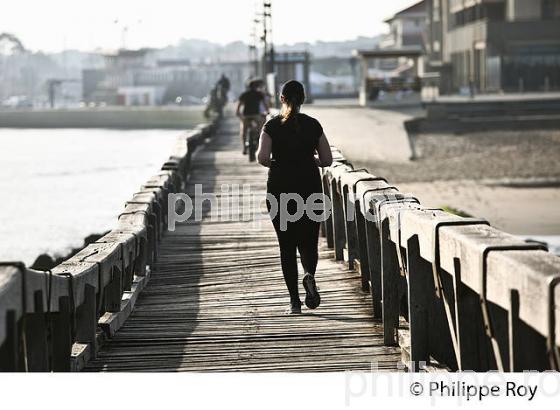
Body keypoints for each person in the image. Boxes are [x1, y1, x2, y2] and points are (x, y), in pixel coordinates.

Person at [256, 80, 333, 314]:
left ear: (281, 99)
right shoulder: (313, 125)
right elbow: (328, 160)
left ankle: (294, 303)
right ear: (303, 99)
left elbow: (262, 157)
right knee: (309, 241)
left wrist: (279, 162)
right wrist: (314, 161)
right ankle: (309, 274)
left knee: (286, 246)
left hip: (280, 187)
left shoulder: (271, 126)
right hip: (309, 186)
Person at [236, 79, 268, 155]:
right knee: (261, 128)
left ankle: (244, 147)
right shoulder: (259, 94)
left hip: (246, 115)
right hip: (256, 115)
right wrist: (267, 112)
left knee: (243, 131)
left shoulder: (244, 94)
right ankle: (259, 140)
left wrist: (239, 114)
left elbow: (238, 107)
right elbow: (265, 105)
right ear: (256, 86)